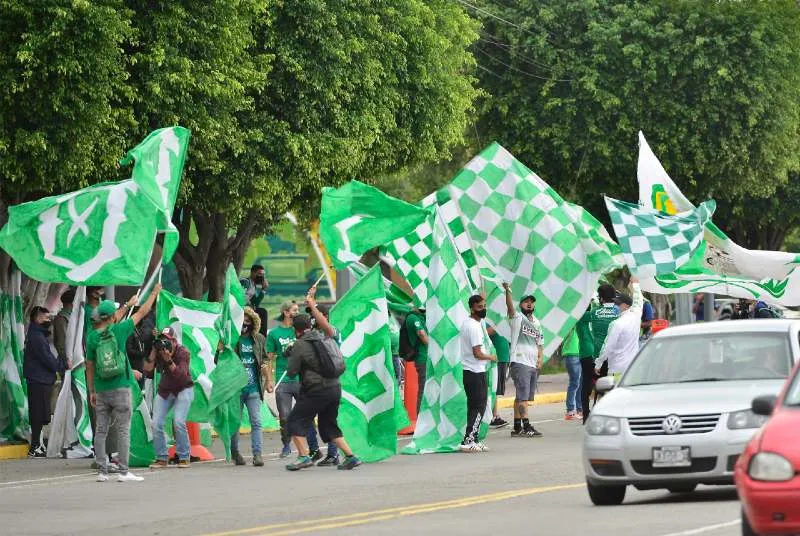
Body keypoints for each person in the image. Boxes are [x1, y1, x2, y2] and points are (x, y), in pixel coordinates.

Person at [85, 284, 160, 483]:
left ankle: (102, 471)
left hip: (101, 390)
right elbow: (143, 312)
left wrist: (92, 390)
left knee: (101, 430)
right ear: (112, 318)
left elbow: (89, 366)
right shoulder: (120, 330)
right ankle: (124, 472)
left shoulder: (92, 338)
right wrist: (154, 293)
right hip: (121, 387)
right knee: (122, 430)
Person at [284, 314, 361, 471]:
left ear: (295, 330)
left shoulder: (299, 344)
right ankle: (351, 457)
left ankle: (304, 456)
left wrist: (291, 354)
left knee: (294, 421)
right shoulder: (325, 338)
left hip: (316, 389)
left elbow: (291, 372)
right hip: (335, 388)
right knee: (328, 424)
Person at [145, 327, 194, 469]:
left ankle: (184, 456)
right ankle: (161, 458)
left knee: (178, 421)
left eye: (167, 340)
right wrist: (154, 350)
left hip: (183, 388)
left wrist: (168, 360)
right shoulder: (159, 351)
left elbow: (180, 376)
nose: (164, 344)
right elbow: (148, 368)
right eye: (162, 340)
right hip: (166, 390)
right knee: (156, 423)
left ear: (174, 341)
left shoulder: (183, 352)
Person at [304, 286, 341, 466]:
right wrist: (311, 298)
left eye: (316, 315)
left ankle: (334, 454)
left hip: (330, 383)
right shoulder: (314, 335)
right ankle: (315, 451)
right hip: (314, 383)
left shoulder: (332, 333)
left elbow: (324, 325)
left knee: (328, 419)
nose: (313, 317)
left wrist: (313, 304)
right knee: (308, 416)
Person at [502, 284, 543, 437]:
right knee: (523, 396)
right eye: (526, 301)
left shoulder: (537, 323)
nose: (529, 303)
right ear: (521, 304)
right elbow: (510, 307)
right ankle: (526, 426)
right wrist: (508, 291)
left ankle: (517, 427)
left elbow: (540, 343)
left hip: (532, 363)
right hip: (520, 362)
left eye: (531, 301)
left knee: (521, 396)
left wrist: (540, 359)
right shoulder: (517, 318)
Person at [229, 306, 268, 467]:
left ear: (252, 323)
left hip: (253, 388)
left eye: (248, 320)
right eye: (242, 320)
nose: (245, 323)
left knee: (256, 422)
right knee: (235, 422)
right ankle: (235, 452)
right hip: (236, 388)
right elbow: (221, 361)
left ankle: (257, 454)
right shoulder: (231, 339)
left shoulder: (259, 339)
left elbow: (265, 358)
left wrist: (265, 368)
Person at [23, 306, 63, 457]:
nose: (49, 321)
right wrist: (60, 364)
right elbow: (47, 359)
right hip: (39, 380)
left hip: (39, 379)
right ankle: (35, 447)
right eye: (46, 318)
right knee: (38, 414)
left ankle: (37, 445)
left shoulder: (36, 335)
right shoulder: (37, 337)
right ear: (37, 318)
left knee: (39, 414)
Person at [459, 295, 497, 452]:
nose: (483, 309)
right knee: (478, 406)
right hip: (475, 371)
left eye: (484, 306)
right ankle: (469, 439)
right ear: (472, 308)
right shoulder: (473, 327)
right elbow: (477, 353)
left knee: (475, 406)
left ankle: (472, 438)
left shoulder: (472, 323)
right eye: (480, 307)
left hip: (472, 371)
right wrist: (491, 357)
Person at [579, 284, 619, 424]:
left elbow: (580, 317)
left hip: (596, 355)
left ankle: (586, 415)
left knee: (587, 384)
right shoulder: (619, 312)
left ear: (601, 298)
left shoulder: (594, 313)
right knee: (610, 387)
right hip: (614, 356)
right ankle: (605, 413)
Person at [594, 277, 643, 382]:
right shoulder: (636, 316)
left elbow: (608, 346)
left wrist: (598, 363)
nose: (615, 306)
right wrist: (635, 285)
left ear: (625, 306)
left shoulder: (616, 324)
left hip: (617, 371)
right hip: (632, 369)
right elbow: (639, 301)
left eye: (617, 304)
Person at [52, 289, 75, 410]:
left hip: (73, 359)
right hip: (67, 361)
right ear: (72, 302)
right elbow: (62, 343)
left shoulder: (71, 316)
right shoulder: (62, 318)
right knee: (67, 390)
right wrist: (67, 360)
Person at [404, 307, 429, 413]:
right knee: (423, 389)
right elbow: (421, 334)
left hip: (424, 358)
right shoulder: (413, 318)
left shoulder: (419, 317)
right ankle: (420, 419)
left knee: (426, 389)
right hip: (422, 358)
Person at [125, 309, 155, 390]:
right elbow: (129, 350)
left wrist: (153, 335)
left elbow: (145, 340)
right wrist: (142, 354)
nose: (143, 320)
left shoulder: (138, 331)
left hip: (140, 366)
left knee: (140, 389)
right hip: (134, 366)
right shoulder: (130, 332)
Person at [487, 324, 509, 428]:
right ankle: (493, 416)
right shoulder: (488, 319)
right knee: (494, 387)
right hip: (496, 357)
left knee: (498, 389)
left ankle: (495, 415)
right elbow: (485, 333)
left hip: (503, 356)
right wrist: (499, 325)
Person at [240, 264, 269, 336]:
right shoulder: (245, 282)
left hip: (248, 309)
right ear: (252, 273)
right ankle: (262, 335)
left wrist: (263, 290)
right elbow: (239, 297)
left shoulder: (254, 286)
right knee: (262, 312)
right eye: (259, 274)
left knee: (262, 311)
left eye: (262, 275)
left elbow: (255, 303)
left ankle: (261, 336)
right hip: (240, 308)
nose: (261, 277)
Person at [561, 327, 582, 421]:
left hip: (579, 354)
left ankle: (578, 409)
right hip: (572, 354)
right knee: (574, 383)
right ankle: (570, 411)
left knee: (579, 383)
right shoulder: (571, 323)